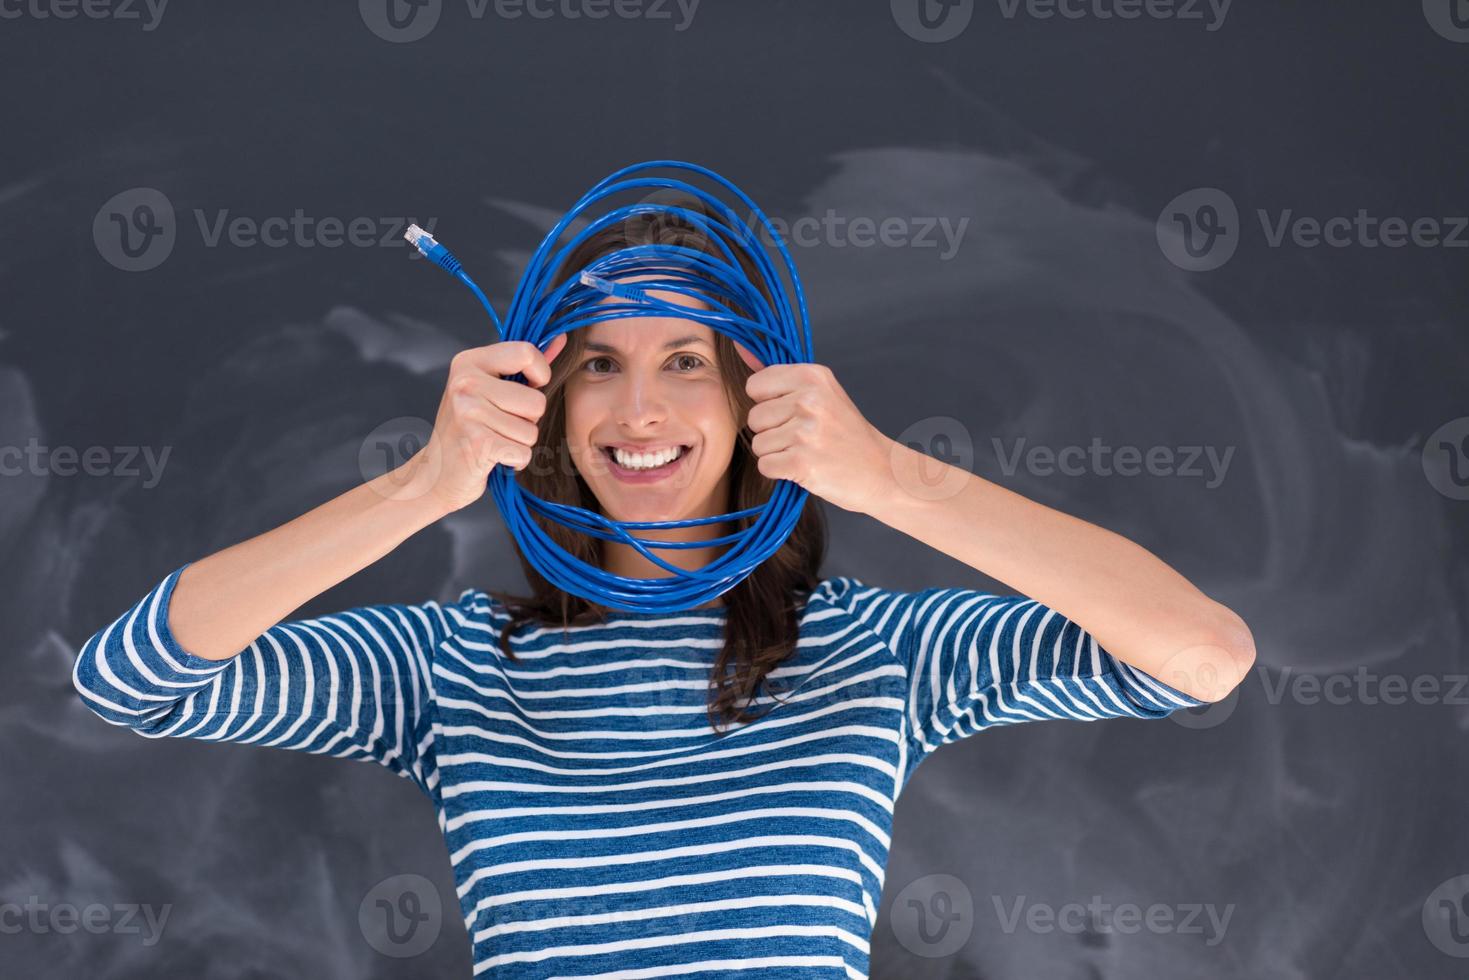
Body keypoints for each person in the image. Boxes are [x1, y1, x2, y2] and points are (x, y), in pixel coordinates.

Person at [71, 199, 1255, 978]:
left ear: (752, 397)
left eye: (684, 360)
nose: (638, 409)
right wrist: (420, 486)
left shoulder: (875, 650)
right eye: (599, 365)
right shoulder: (452, 664)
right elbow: (132, 675)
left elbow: (1198, 654)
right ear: (548, 406)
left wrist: (890, 474)